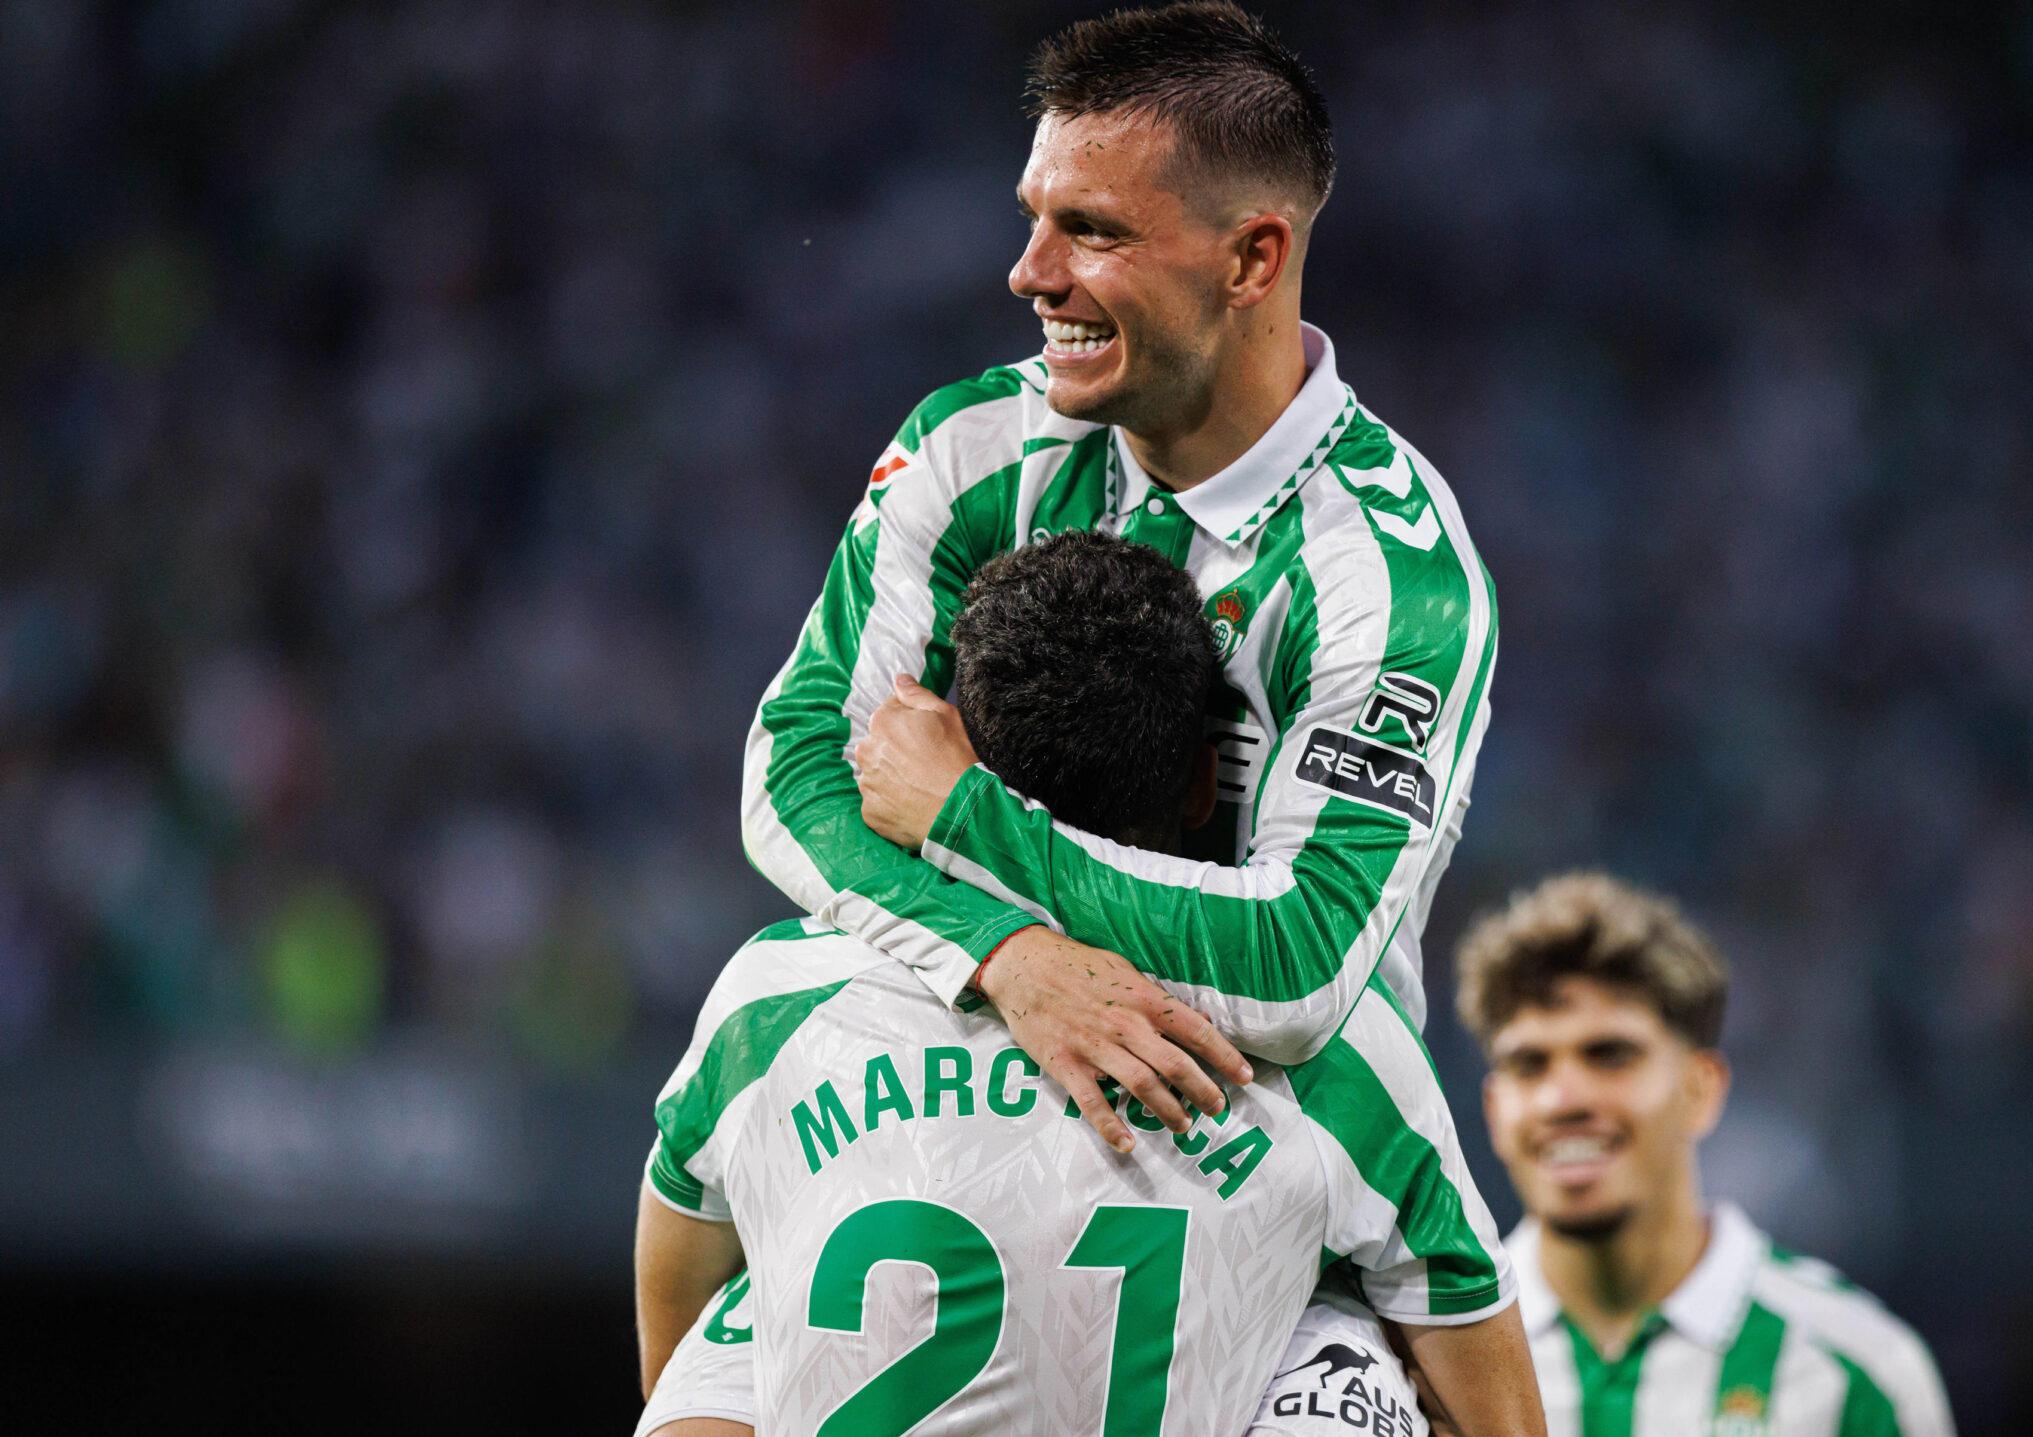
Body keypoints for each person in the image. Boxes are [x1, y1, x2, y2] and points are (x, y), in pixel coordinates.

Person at [743, 2, 1498, 1157]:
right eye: (1033, 219)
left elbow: (1296, 965)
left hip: (1257, 1157)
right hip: (966, 1086)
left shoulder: (1385, 578)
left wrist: (965, 819)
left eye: (1089, 230)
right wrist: (1012, 958)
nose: (1027, 273)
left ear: (1252, 258)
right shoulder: (974, 446)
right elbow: (794, 773)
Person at [638, 533, 1538, 1437]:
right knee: (1343, 1358)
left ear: (960, 754)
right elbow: (1501, 1416)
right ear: (1203, 786)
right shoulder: (1333, 1049)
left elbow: (682, 1344)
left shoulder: (771, 998)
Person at [1456, 875, 1952, 1437]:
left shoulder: (1856, 1370)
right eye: (1529, 1064)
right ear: (1495, 1111)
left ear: (1701, 1090)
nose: (1563, 1099)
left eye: (1610, 1055)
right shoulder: (1421, 1359)